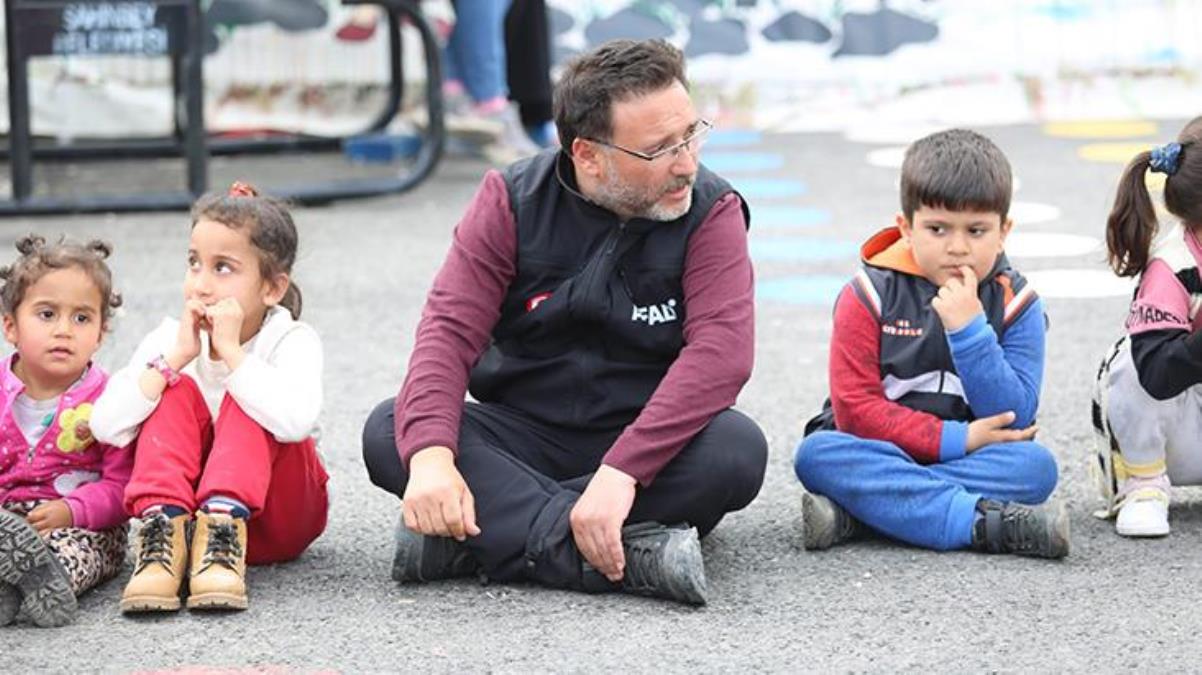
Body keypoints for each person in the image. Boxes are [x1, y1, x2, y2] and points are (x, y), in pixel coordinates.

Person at [362, 39, 767, 606]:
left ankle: (479, 539)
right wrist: (431, 458)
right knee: (393, 430)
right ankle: (622, 555)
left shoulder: (710, 209)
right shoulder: (511, 199)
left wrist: (623, 472)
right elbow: (448, 332)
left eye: (691, 135)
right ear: (589, 155)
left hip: (645, 436)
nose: (687, 164)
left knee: (736, 451)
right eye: (660, 149)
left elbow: (722, 356)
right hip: (522, 433)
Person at [793, 128, 1069, 559]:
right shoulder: (867, 294)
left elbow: (1015, 417)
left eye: (976, 230)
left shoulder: (1018, 303)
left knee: (1035, 468)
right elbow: (855, 411)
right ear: (906, 227)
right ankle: (980, 523)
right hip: (880, 449)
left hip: (963, 457)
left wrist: (970, 331)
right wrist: (957, 438)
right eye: (938, 229)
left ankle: (862, 512)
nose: (957, 248)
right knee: (817, 455)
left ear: (1004, 231)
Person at [91, 182, 328, 613]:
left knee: (248, 397)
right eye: (193, 263)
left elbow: (296, 422)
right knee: (172, 388)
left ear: (272, 288)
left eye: (222, 268)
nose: (200, 285)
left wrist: (235, 357)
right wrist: (172, 361)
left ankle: (223, 527)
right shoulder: (171, 338)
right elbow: (105, 426)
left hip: (277, 518)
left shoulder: (291, 338)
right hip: (187, 527)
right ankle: (163, 531)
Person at [0, 235, 130, 628]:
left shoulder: (110, 398)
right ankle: (9, 581)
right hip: (6, 522)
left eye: (81, 318)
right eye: (46, 314)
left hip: (80, 523)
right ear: (10, 326)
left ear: (101, 333)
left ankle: (43, 580)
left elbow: (122, 486)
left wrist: (72, 510)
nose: (64, 330)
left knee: (80, 549)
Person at [1092, 117, 1202, 538]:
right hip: (1178, 426)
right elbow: (1155, 372)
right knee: (1129, 362)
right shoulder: (1173, 265)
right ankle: (1143, 484)